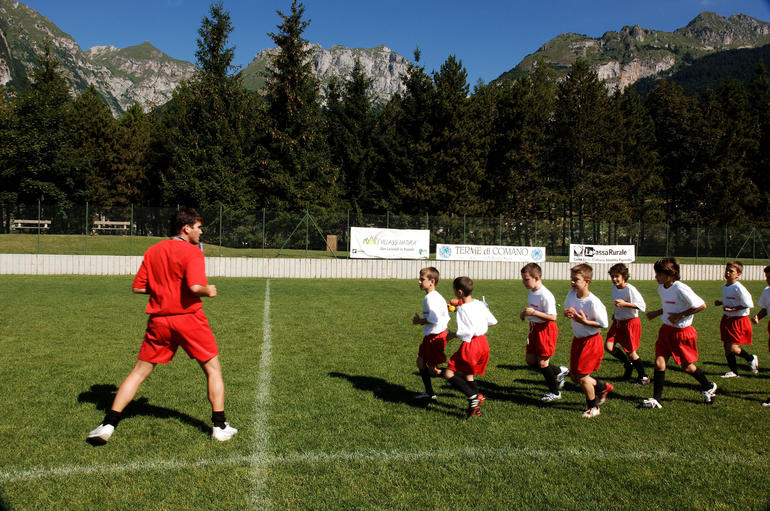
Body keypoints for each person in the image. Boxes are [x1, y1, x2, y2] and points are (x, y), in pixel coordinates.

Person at [87, 209, 237, 444]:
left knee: (138, 373)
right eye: (198, 227)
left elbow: (138, 287)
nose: (201, 232)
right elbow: (195, 286)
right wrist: (209, 290)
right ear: (186, 228)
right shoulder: (193, 251)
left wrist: (162, 289)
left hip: (159, 322)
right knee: (213, 369)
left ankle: (107, 424)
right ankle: (220, 426)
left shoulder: (153, 250)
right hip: (188, 319)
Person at [639, 257, 717, 409]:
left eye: (659, 274)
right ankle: (656, 399)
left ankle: (708, 386)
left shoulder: (681, 288)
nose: (656, 277)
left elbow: (701, 305)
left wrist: (680, 316)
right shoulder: (661, 288)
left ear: (672, 273)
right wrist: (657, 312)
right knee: (659, 363)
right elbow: (670, 308)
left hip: (682, 332)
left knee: (687, 367)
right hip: (666, 331)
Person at [443, 276, 497, 418]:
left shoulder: (462, 310)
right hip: (483, 344)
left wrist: (453, 334)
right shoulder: (479, 304)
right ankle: (475, 406)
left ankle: (473, 396)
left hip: (472, 344)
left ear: (459, 292)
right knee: (469, 375)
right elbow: (493, 321)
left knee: (449, 373)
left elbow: (466, 332)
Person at [563, 264, 611, 418]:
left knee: (583, 377)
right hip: (578, 340)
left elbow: (603, 324)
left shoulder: (593, 302)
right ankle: (602, 387)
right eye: (571, 279)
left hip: (591, 341)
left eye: (576, 280)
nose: (572, 282)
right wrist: (569, 313)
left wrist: (584, 321)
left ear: (587, 282)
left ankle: (593, 407)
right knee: (575, 377)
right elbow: (567, 309)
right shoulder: (571, 294)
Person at [519, 262, 568, 402]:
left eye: (526, 279)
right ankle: (559, 371)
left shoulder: (546, 295)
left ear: (537, 277)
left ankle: (554, 392)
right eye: (523, 279)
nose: (524, 282)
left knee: (543, 363)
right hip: (534, 328)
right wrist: (525, 313)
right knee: (530, 361)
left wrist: (533, 312)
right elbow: (532, 310)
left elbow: (553, 317)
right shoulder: (531, 291)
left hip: (546, 330)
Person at [605, 263, 649, 385]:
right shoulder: (614, 288)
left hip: (630, 323)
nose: (614, 279)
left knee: (631, 352)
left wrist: (625, 304)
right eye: (612, 276)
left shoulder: (630, 289)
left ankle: (643, 376)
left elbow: (642, 306)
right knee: (609, 347)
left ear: (624, 276)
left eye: (617, 276)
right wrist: (616, 314)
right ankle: (627, 364)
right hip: (617, 322)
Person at [412, 267, 450, 403]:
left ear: (432, 281)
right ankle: (429, 393)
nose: (419, 282)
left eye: (422, 279)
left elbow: (434, 320)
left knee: (433, 370)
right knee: (420, 362)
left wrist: (418, 321)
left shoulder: (431, 299)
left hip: (435, 336)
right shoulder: (434, 297)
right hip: (431, 335)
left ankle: (464, 379)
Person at [715, 261, 758, 378]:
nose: (728, 273)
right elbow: (731, 301)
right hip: (727, 319)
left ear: (738, 274)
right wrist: (721, 302)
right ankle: (734, 371)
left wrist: (733, 309)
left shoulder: (739, 288)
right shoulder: (725, 286)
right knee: (726, 347)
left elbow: (748, 303)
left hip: (738, 320)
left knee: (733, 348)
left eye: (731, 271)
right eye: (727, 270)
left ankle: (751, 358)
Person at [752, 265, 770, 406]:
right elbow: (766, 308)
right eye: (767, 277)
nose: (768, 280)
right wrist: (758, 316)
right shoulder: (767, 291)